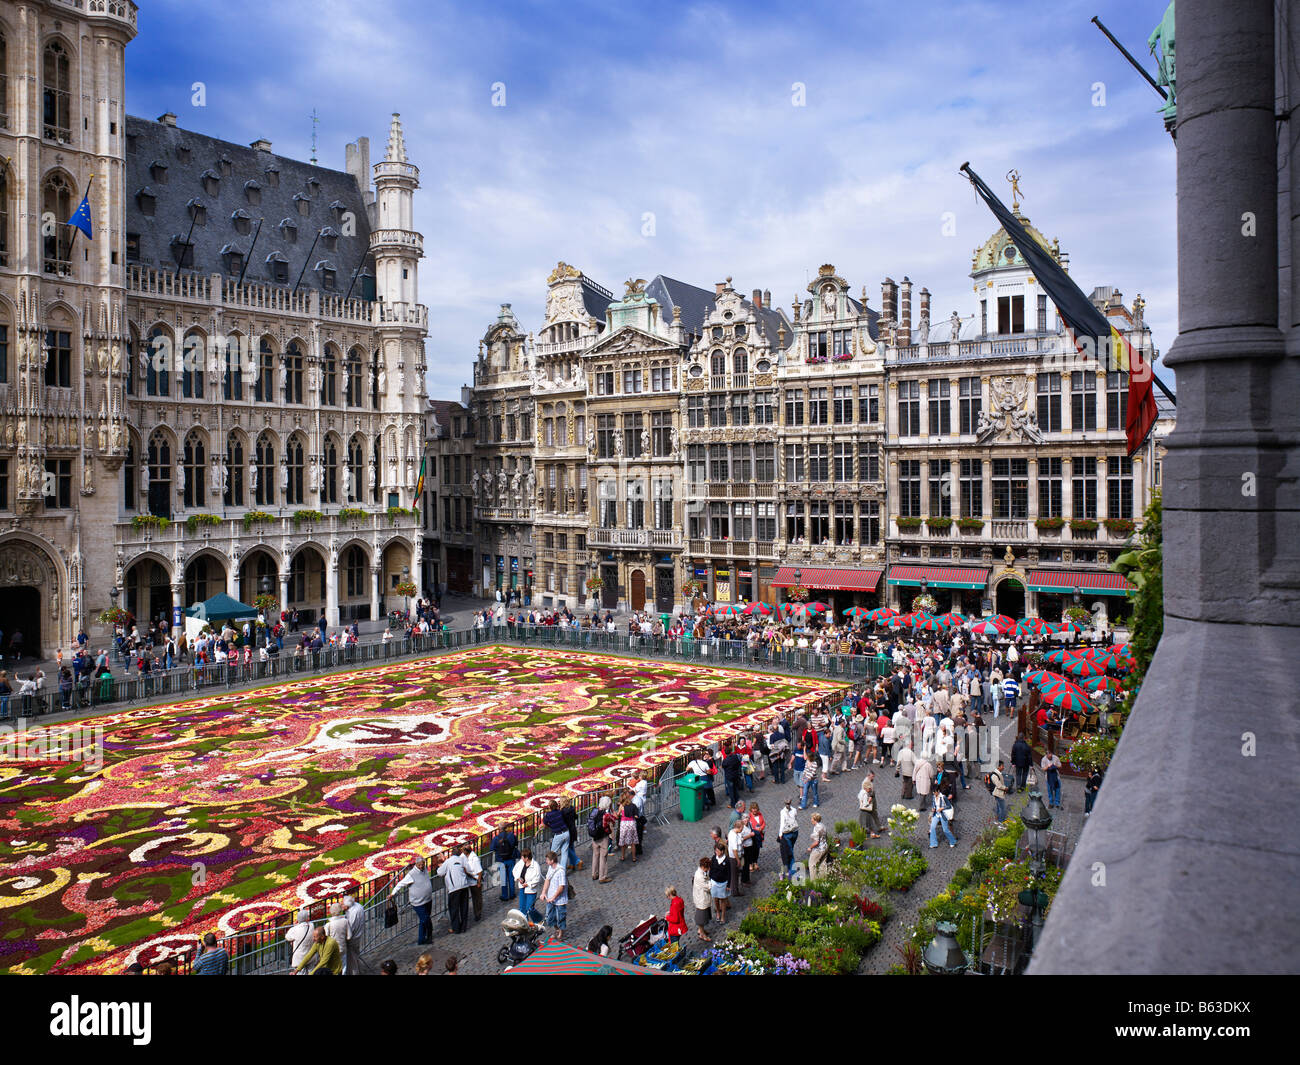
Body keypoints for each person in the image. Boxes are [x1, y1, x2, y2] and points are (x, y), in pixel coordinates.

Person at [395, 857, 434, 945]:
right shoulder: (411, 874)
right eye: (419, 865)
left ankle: (421, 939)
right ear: (416, 865)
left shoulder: (425, 870)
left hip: (427, 900)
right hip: (418, 903)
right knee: (426, 919)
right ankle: (429, 934)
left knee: (423, 920)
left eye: (422, 864)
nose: (421, 866)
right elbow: (400, 884)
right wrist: (393, 893)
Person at [437, 849, 471, 934]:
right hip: (464, 886)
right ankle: (463, 927)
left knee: (454, 909)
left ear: (451, 854)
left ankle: (456, 928)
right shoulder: (462, 860)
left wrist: (441, 865)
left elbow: (439, 872)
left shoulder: (448, 861)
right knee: (464, 907)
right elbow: (468, 869)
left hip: (454, 889)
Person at [542, 850, 568, 940]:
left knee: (561, 917)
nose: (546, 861)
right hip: (550, 898)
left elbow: (561, 887)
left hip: (560, 900)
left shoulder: (561, 871)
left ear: (552, 861)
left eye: (547, 859)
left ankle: (560, 932)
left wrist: (553, 897)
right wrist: (543, 892)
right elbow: (547, 880)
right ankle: (557, 929)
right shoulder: (550, 868)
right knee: (549, 917)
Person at [491, 825, 520, 902]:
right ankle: (512, 894)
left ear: (499, 829)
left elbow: (492, 848)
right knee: (511, 877)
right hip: (511, 859)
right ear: (506, 828)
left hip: (501, 860)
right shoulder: (511, 835)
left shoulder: (496, 838)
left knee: (503, 879)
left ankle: (505, 895)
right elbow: (516, 843)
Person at [514, 848, 543, 921]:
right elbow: (515, 870)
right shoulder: (521, 862)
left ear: (526, 858)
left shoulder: (536, 866)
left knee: (529, 908)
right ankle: (525, 923)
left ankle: (538, 919)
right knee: (522, 908)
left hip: (531, 889)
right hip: (522, 888)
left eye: (522, 857)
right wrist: (518, 878)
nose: (521, 858)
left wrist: (528, 884)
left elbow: (537, 879)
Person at [588, 796, 612, 883]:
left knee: (595, 855)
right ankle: (602, 877)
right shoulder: (605, 814)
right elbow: (612, 820)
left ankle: (594, 874)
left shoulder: (594, 811)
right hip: (603, 837)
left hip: (594, 836)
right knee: (603, 857)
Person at [343, 894, 368, 975]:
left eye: (344, 905)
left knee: (352, 958)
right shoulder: (358, 906)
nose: (343, 906)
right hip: (358, 934)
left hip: (353, 937)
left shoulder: (352, 913)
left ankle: (354, 972)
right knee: (355, 955)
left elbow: (351, 927)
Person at [708, 842, 733, 924]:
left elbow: (729, 873)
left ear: (722, 851)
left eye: (718, 851)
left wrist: (728, 885)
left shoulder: (726, 860)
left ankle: (723, 916)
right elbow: (711, 871)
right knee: (715, 899)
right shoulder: (714, 858)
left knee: (723, 900)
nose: (716, 853)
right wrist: (710, 880)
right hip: (714, 882)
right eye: (716, 851)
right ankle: (718, 912)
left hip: (723, 883)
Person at [285, 908, 314, 973]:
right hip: (310, 956)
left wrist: (296, 925)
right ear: (307, 918)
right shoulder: (311, 926)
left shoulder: (294, 929)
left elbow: (287, 937)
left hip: (299, 958)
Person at [325, 902, 351, 973]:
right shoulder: (345, 921)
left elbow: (326, 938)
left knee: (334, 967)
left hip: (332, 949)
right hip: (343, 947)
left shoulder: (328, 924)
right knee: (344, 965)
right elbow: (349, 936)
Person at [692, 858, 714, 941]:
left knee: (704, 916)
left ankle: (702, 930)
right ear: (705, 867)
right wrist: (710, 882)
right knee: (701, 919)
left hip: (703, 898)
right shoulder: (699, 876)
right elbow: (708, 887)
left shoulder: (702, 873)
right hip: (701, 899)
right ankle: (702, 933)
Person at [778, 798, 799, 880]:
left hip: (787, 833)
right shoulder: (794, 810)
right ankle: (790, 867)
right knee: (791, 849)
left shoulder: (782, 812)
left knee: (789, 851)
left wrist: (780, 834)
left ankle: (792, 871)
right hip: (795, 832)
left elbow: (782, 823)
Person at [462, 844, 484, 921]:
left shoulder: (474, 859)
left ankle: (478, 913)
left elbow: (480, 871)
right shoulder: (464, 856)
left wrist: (478, 882)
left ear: (466, 851)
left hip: (475, 880)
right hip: (468, 880)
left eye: (463, 850)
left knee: (477, 898)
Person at [858, 773, 883, 838]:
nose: (870, 790)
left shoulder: (861, 792)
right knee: (868, 823)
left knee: (864, 823)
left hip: (862, 810)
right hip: (866, 810)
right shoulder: (865, 794)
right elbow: (866, 804)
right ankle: (871, 834)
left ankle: (866, 834)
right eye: (869, 789)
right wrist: (869, 800)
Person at [617, 791, 640, 863]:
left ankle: (623, 856)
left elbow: (618, 815)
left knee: (623, 841)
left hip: (624, 824)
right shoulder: (633, 805)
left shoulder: (621, 806)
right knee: (633, 842)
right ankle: (633, 857)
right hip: (631, 823)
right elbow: (636, 815)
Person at [807, 812, 829, 880]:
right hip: (825, 847)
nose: (811, 820)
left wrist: (810, 847)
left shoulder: (816, 828)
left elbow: (816, 842)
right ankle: (823, 880)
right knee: (822, 864)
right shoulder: (823, 825)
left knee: (812, 864)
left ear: (815, 819)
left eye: (812, 818)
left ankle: (813, 882)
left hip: (818, 849)